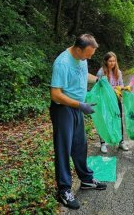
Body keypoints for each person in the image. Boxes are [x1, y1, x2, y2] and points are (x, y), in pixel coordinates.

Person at [50, 34, 107, 210]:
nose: (89, 58)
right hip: (63, 109)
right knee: (63, 149)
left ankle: (86, 180)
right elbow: (56, 94)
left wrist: (98, 80)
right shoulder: (62, 63)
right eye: (88, 54)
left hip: (77, 108)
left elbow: (84, 74)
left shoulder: (82, 58)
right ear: (78, 49)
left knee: (80, 145)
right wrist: (79, 104)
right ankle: (64, 190)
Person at [96, 52, 129, 153]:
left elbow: (121, 85)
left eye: (114, 61)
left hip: (116, 101)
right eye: (110, 61)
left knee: (118, 120)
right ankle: (103, 143)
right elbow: (98, 87)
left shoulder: (118, 72)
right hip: (105, 102)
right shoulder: (101, 72)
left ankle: (121, 142)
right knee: (105, 121)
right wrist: (111, 90)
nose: (112, 63)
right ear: (106, 61)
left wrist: (123, 89)